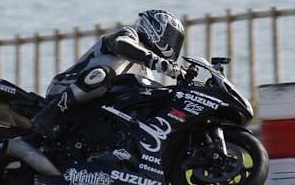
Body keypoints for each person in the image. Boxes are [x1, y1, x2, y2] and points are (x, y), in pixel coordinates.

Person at [31, 9, 185, 138]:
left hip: (91, 104)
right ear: (156, 29)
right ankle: (48, 115)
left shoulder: (145, 71)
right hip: (65, 87)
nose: (173, 43)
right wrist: (158, 62)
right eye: (171, 36)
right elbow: (122, 45)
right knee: (103, 74)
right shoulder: (129, 35)